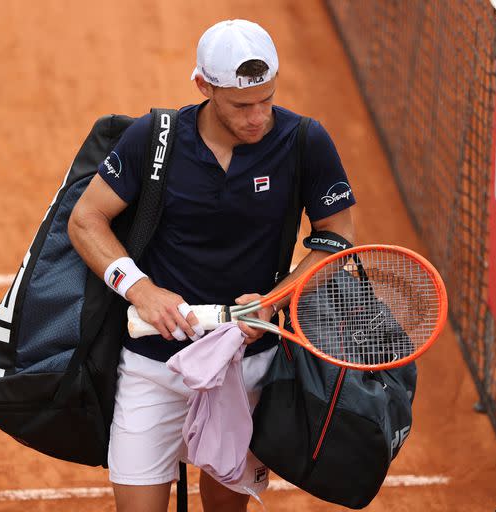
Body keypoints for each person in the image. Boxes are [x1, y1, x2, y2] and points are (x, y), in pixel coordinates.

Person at [68, 18, 356, 512]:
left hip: (245, 364)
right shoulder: (154, 139)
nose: (258, 117)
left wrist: (272, 301)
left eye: (267, 99)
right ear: (204, 86)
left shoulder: (305, 141)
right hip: (152, 364)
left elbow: (337, 237)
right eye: (242, 105)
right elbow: (86, 220)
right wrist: (141, 289)